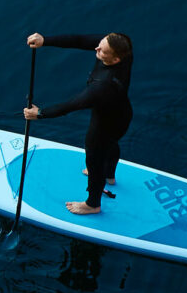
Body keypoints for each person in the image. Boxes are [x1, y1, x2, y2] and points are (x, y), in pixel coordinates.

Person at [22, 31, 134, 215]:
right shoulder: (123, 50)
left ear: (115, 60)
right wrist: (45, 40)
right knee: (111, 145)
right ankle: (109, 176)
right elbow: (80, 39)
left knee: (94, 161)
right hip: (122, 115)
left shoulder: (102, 87)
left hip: (104, 125)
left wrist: (40, 113)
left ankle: (92, 204)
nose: (97, 48)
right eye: (100, 44)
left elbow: (71, 105)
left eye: (102, 51)